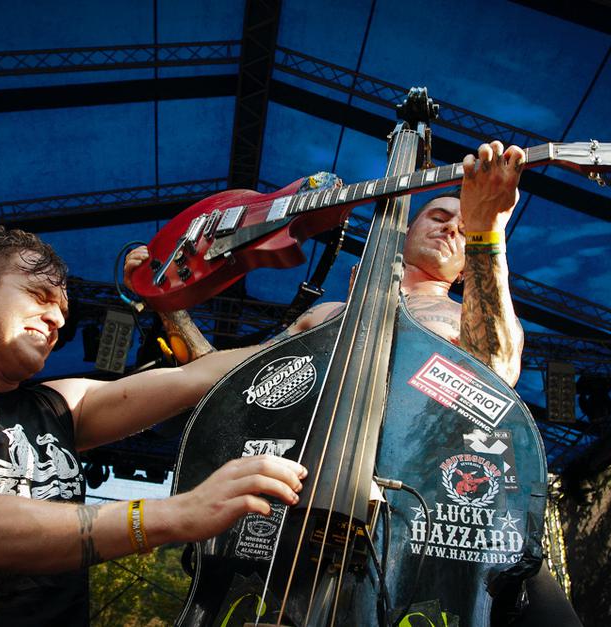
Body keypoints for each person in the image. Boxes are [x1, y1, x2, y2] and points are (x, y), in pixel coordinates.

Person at [126, 140, 581, 625]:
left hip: (424, 526)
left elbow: (494, 373)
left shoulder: (459, 319)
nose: (452, 227)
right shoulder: (325, 316)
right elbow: (225, 380)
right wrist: (167, 306)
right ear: (404, 230)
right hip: (299, 513)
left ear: (468, 264)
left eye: (464, 228)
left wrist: (488, 230)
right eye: (438, 216)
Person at [0, 228, 307, 625]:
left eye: (63, 311)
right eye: (40, 296)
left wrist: (303, 334)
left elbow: (195, 377)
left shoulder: (61, 403)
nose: (57, 319)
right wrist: (178, 513)